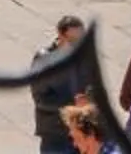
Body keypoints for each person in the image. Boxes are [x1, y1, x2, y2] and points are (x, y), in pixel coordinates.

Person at [29, 18, 92, 154]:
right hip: (56, 133)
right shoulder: (45, 60)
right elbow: (40, 99)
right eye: (72, 41)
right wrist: (73, 105)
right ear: (60, 35)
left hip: (83, 133)